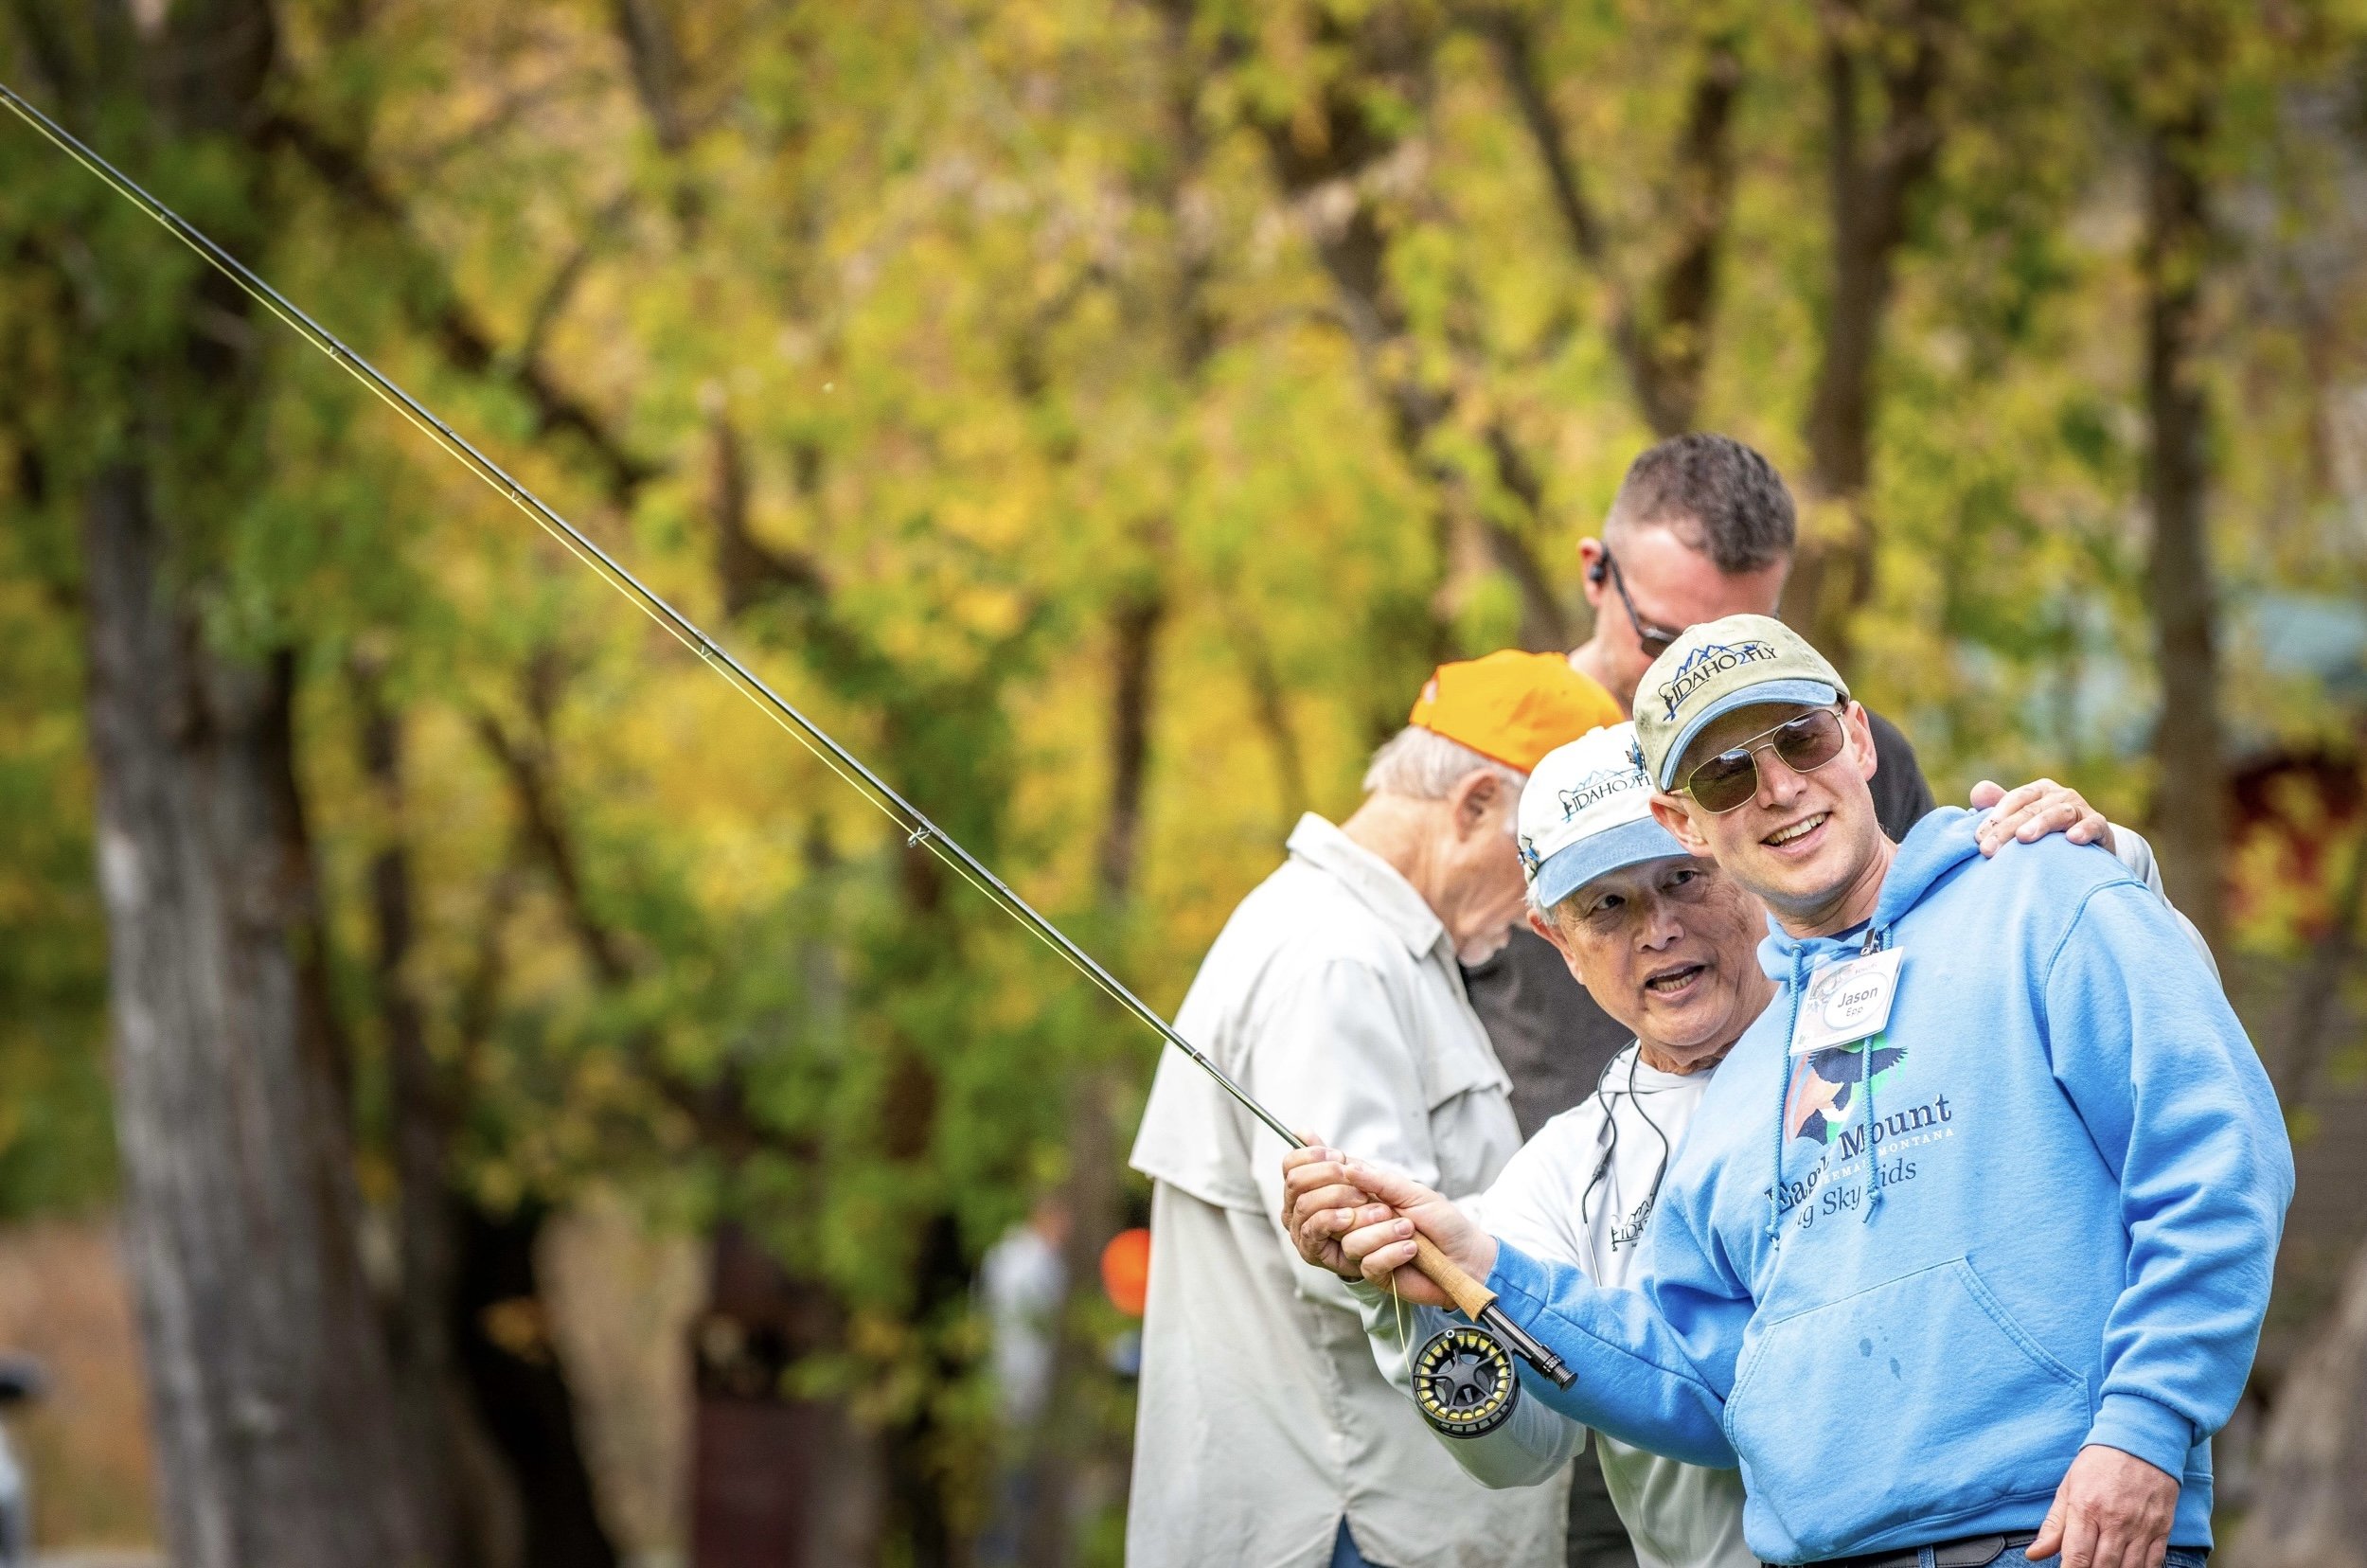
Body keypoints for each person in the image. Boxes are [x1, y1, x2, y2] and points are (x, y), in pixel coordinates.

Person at [1295, 615, 2294, 1568]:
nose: (1777, 787)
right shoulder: (1750, 1081)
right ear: (1684, 818)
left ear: (1855, 737)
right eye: (1725, 775)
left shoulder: (2043, 889)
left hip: (2051, 1536)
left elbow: (2215, 1155)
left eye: (1800, 739)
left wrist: (2145, 1424)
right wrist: (1477, 1270)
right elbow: (1702, 1377)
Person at [1467, 433, 2128, 1568]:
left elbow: (1951, 959)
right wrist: (1474, 1270)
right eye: (1669, 639)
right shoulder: (1496, 774)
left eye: (1743, 631)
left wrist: (2099, 863)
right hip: (1626, 1353)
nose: (1772, 788)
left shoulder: (1816, 766)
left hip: (1922, 1414)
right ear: (1594, 575)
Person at [1125, 650, 1620, 1568]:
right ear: (1475, 804)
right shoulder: (1336, 960)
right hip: (1355, 1527)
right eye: (1540, 858)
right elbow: (1362, 1259)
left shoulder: (1366, 946)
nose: (1544, 904)